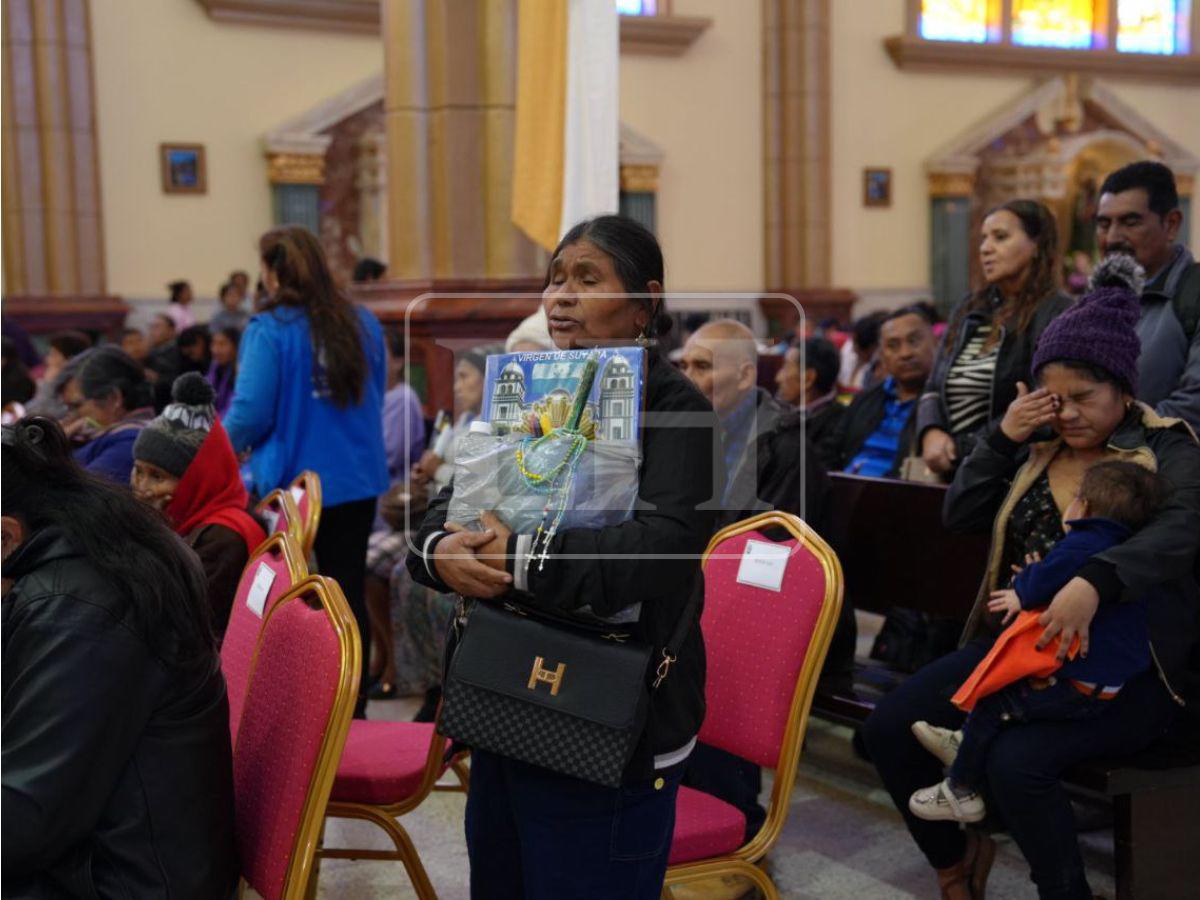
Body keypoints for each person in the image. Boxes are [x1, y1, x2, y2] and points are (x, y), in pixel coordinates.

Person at [861, 256, 1200, 900]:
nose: (1067, 413)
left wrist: (1094, 579)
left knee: (1019, 763)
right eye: (1055, 397)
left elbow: (1183, 531)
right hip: (1018, 650)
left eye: (1084, 398)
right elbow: (958, 515)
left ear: (1124, 390)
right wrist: (1000, 436)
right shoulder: (1036, 443)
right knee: (887, 729)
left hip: (1123, 666)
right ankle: (955, 861)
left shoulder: (1166, 448)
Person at [409, 214, 720, 898]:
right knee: (503, 880)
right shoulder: (532, 387)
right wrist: (442, 552)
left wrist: (517, 559)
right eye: (554, 279)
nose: (561, 297)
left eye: (587, 278)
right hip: (503, 689)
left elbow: (659, 551)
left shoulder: (676, 407)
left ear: (644, 302)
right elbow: (447, 507)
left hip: (614, 700)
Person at [2, 416, 237, 898]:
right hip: (102, 853)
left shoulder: (79, 609)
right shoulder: (89, 552)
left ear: (6, 536)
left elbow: (22, 824)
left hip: (121, 880)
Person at [909, 460, 1167, 823]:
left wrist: (1020, 590)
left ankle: (960, 789)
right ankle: (965, 743)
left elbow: (1041, 583)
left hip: (1078, 685)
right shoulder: (1124, 549)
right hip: (1104, 682)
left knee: (994, 703)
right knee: (1000, 696)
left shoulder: (1084, 540)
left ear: (1084, 507)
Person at [678, 317, 831, 845]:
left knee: (701, 644)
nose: (689, 377)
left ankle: (733, 826)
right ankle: (683, 814)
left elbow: (779, 557)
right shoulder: (693, 430)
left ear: (744, 375)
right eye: (685, 365)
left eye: (702, 366)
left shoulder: (786, 443)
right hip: (706, 594)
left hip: (775, 611)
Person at [224, 225, 388, 715]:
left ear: (273, 273)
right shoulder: (362, 321)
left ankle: (298, 712)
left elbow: (250, 412)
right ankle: (350, 707)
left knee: (284, 601)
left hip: (294, 488)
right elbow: (375, 390)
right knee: (346, 592)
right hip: (355, 476)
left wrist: (217, 453)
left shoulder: (269, 329)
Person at [919, 200, 1073, 480]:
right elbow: (933, 384)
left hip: (1010, 469)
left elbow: (1039, 403)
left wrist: (962, 448)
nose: (985, 248)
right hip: (952, 467)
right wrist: (930, 431)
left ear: (1037, 245)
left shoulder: (1057, 312)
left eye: (1000, 237)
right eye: (984, 239)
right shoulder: (969, 307)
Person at [132, 373, 266, 638]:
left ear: (199, 479)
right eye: (138, 471)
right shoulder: (197, 516)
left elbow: (180, 624)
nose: (142, 487)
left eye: (157, 476)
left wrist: (149, 531)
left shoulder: (224, 539)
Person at [1095, 160, 1200, 431]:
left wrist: (1111, 436)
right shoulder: (1093, 301)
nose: (1112, 238)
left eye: (1130, 222)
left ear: (1171, 224)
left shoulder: (1193, 293)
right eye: (1104, 224)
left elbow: (1193, 403)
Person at [364, 327, 427, 700]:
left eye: (384, 354)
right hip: (378, 505)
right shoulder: (374, 397)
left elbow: (388, 452)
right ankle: (381, 653)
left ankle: (393, 662)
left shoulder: (402, 398)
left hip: (398, 510)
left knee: (370, 560)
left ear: (400, 361)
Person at [828, 306, 936, 477]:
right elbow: (830, 452)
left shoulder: (942, 403)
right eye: (893, 346)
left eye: (914, 341)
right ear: (882, 355)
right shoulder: (865, 399)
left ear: (935, 342)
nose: (905, 353)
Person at [61, 346, 155, 483]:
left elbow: (79, 498)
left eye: (77, 406)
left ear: (114, 398)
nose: (71, 416)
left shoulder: (130, 442)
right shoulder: (94, 433)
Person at [775, 335, 844, 470]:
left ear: (808, 378)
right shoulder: (777, 410)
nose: (777, 378)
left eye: (786, 367)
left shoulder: (837, 426)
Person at [24, 331, 93, 420]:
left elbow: (38, 416)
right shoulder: (52, 382)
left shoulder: (76, 390)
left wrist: (49, 384)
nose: (47, 360)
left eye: (54, 355)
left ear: (70, 360)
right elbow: (28, 409)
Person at [207, 326, 239, 417]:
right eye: (213, 344)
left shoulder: (240, 373)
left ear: (236, 347)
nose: (215, 350)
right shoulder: (215, 367)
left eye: (222, 344)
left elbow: (232, 410)